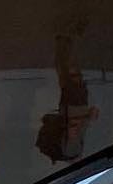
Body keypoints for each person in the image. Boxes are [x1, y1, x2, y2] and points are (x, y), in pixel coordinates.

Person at [35, 33, 100, 164]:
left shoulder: (73, 151)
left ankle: (68, 41)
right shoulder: (68, 153)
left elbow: (73, 127)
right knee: (65, 79)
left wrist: (89, 116)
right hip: (67, 109)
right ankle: (62, 44)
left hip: (76, 107)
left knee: (72, 76)